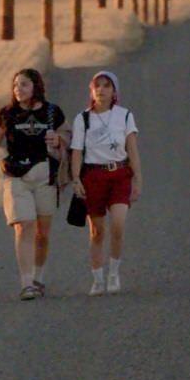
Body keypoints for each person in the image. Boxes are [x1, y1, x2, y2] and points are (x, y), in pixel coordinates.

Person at [0, 68, 68, 300]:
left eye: (24, 84)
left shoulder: (52, 112)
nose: (18, 89)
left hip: (45, 176)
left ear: (36, 86)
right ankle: (26, 283)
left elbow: (69, 138)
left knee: (42, 233)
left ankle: (38, 277)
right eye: (15, 85)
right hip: (16, 177)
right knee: (24, 226)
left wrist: (60, 139)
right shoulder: (6, 114)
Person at [68, 70, 142, 296]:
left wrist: (138, 179)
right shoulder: (83, 118)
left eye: (106, 86)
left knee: (118, 225)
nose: (101, 90)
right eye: (97, 85)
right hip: (94, 176)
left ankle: (114, 273)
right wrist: (76, 179)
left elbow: (132, 149)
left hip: (119, 174)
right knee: (97, 231)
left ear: (114, 91)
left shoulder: (125, 116)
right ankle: (98, 278)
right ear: (91, 90)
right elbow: (77, 151)